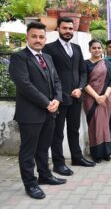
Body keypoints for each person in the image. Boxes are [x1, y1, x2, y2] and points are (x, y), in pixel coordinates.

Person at [10, 22, 65, 199]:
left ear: (45, 39)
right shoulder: (19, 58)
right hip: (30, 114)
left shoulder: (47, 57)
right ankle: (30, 184)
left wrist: (57, 99)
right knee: (28, 151)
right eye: (34, 36)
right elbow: (24, 85)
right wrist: (47, 102)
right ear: (27, 37)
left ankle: (45, 175)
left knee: (44, 148)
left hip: (50, 112)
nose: (38, 40)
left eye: (41, 37)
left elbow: (56, 80)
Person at [43, 17, 95, 176]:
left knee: (74, 129)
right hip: (58, 98)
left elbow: (83, 72)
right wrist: (56, 95)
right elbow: (47, 74)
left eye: (70, 29)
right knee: (57, 132)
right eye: (65, 28)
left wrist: (80, 88)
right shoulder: (49, 48)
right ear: (58, 29)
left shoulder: (77, 48)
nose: (68, 31)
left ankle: (77, 157)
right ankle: (58, 164)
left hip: (76, 97)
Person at [82, 40, 111, 163]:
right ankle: (96, 153)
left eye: (99, 48)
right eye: (94, 48)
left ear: (102, 49)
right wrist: (97, 97)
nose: (96, 50)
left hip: (106, 99)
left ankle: (106, 151)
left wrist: (104, 96)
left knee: (105, 124)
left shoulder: (107, 63)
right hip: (91, 98)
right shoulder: (85, 64)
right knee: (94, 124)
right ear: (89, 49)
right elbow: (84, 82)